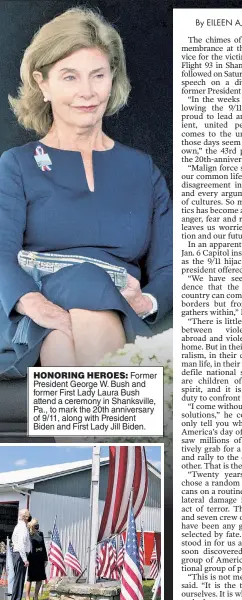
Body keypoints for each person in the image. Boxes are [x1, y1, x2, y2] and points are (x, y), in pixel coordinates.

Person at [0, 7, 172, 378]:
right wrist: (32, 302)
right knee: (69, 307)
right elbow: (0, 254)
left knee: (65, 333)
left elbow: (170, 267)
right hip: (36, 310)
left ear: (113, 79)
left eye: (98, 75)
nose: (87, 92)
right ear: (42, 83)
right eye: (70, 77)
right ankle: (116, 427)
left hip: (116, 312)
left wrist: (146, 300)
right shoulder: (17, 165)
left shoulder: (142, 170)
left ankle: (93, 432)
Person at [10, 509, 31, 600]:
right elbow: (21, 544)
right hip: (20, 555)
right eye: (27, 515)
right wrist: (25, 559)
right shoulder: (22, 527)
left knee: (18, 580)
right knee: (19, 580)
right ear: (25, 517)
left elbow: (14, 541)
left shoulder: (19, 526)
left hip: (17, 554)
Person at [25, 518, 47, 600]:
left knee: (40, 579)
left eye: (38, 524)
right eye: (36, 524)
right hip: (32, 559)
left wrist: (45, 559)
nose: (37, 526)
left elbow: (43, 546)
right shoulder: (28, 535)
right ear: (32, 526)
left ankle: (36, 596)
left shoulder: (41, 534)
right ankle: (27, 598)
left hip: (40, 558)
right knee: (30, 578)